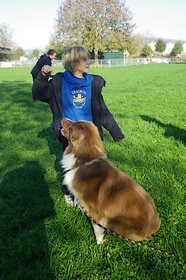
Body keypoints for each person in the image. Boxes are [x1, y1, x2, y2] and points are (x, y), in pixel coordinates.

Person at [32, 45, 124, 204]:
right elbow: (38, 93)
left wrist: (115, 132)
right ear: (73, 63)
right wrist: (41, 77)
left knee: (92, 166)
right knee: (72, 166)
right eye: (83, 59)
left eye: (87, 58)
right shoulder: (58, 83)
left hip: (90, 135)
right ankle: (69, 191)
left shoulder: (93, 83)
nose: (88, 62)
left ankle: (89, 191)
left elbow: (102, 111)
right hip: (71, 135)